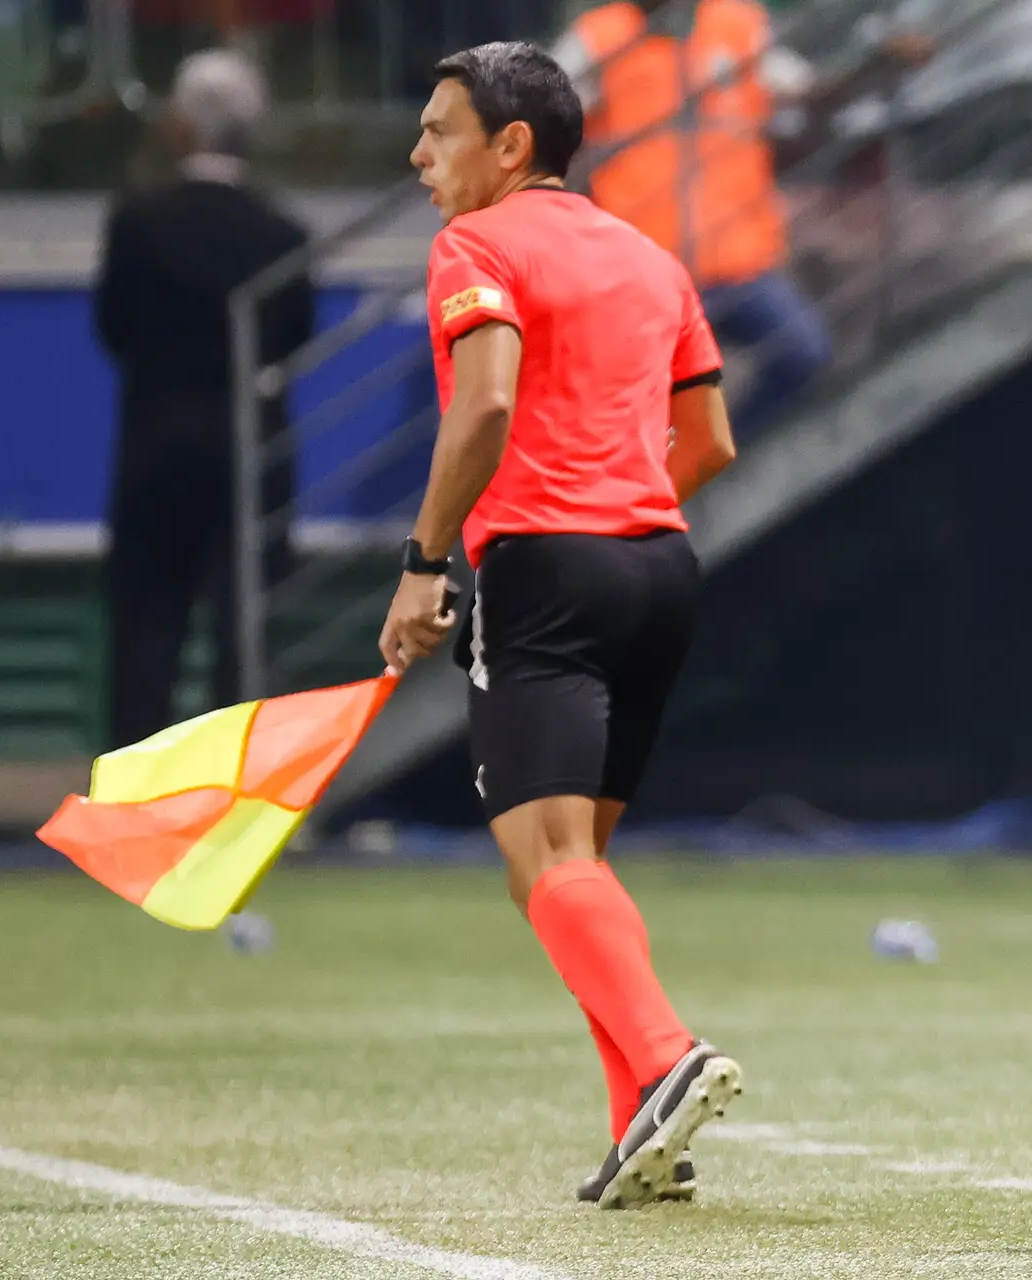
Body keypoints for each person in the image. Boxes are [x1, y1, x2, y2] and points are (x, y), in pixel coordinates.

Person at [379, 41, 743, 1209]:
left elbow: (483, 404)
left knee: (544, 862)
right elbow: (713, 445)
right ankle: (645, 1128)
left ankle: (668, 1054)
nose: (419, 153)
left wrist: (423, 562)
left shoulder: (473, 246)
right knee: (577, 859)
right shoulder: (649, 256)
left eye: (440, 131)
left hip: (546, 570)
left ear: (510, 145)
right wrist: (618, 515)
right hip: (660, 567)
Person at [552, 0, 931, 437]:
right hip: (648, 279)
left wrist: (876, 67)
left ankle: (725, 453)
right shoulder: (601, 39)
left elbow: (810, 94)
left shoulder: (737, 25)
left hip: (740, 263)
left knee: (804, 356)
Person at [95, 48, 313, 749]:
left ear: (181, 127)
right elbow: (293, 338)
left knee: (146, 627)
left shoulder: (137, 221)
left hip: (155, 443)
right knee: (242, 631)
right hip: (251, 452)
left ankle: (132, 796)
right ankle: (238, 791)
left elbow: (113, 326)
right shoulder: (282, 234)